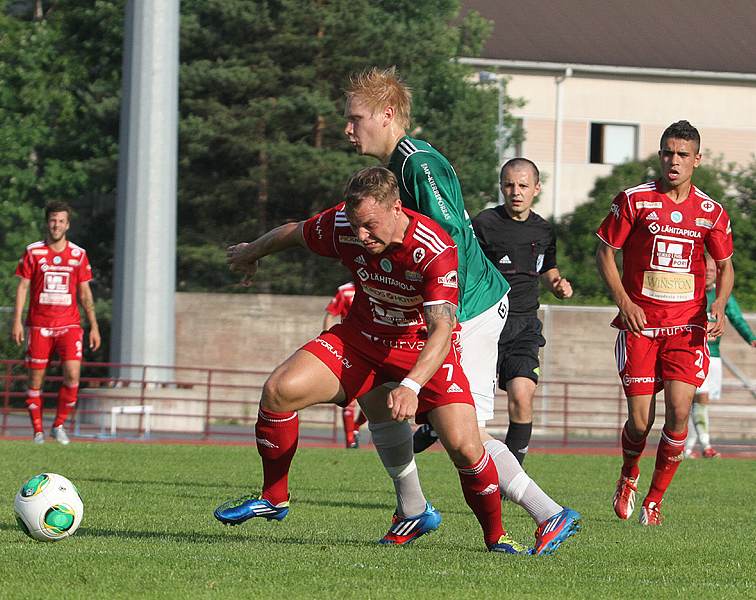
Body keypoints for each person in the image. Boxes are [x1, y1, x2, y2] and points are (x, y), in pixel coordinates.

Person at [216, 166, 531, 553]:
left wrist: (411, 385)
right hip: (361, 339)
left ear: (397, 208)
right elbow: (295, 232)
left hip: (421, 349)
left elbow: (442, 329)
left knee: (466, 448)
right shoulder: (344, 225)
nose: (362, 236)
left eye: (370, 226)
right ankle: (274, 497)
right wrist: (251, 251)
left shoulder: (433, 248)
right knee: (279, 391)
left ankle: (496, 536)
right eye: (355, 226)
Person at [343, 66, 579, 554]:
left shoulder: (416, 163)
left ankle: (549, 514)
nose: (348, 129)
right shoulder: (397, 171)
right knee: (415, 415)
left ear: (387, 116)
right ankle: (414, 510)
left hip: (468, 308)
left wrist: (438, 301)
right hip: (453, 307)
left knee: (464, 435)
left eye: (355, 118)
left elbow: (445, 235)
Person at [595, 120, 734, 526]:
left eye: (682, 155)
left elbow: (725, 267)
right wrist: (624, 300)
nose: (674, 161)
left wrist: (721, 305)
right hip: (640, 328)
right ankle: (628, 474)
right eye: (667, 153)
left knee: (678, 411)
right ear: (660, 155)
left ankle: (654, 501)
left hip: (687, 329)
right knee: (640, 422)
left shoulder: (711, 212)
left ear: (697, 160)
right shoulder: (635, 200)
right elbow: (605, 252)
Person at [471, 158, 573, 465]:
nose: (516, 192)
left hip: (525, 325)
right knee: (465, 409)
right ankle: (433, 432)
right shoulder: (484, 224)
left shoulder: (544, 230)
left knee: (521, 397)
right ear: (501, 187)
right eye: (510, 185)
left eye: (523, 186)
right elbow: (467, 268)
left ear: (536, 189)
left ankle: (510, 481)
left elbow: (547, 268)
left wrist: (557, 285)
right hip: (485, 324)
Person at [12, 200, 101, 444]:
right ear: (47, 222)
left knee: (73, 375)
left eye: (61, 221)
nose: (56, 225)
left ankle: (59, 424)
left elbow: (84, 293)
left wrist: (93, 325)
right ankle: (38, 431)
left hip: (69, 325)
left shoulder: (78, 254)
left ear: (68, 225)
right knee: (35, 380)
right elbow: (23, 287)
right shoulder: (33, 252)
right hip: (39, 325)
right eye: (53, 220)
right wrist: (17, 321)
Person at [684, 258, 756, 459]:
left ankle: (688, 449)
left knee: (699, 403)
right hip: (693, 353)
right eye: (705, 269)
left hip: (714, 356)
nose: (708, 273)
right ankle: (706, 446)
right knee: (699, 400)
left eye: (711, 270)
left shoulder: (722, 295)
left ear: (717, 272)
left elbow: (736, 317)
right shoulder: (689, 290)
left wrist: (750, 337)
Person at [322, 281, 367, 448]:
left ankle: (355, 427)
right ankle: (350, 440)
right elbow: (330, 313)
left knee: (379, 397)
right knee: (351, 395)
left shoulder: (378, 284)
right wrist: (326, 337)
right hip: (350, 348)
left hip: (375, 347)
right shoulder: (344, 290)